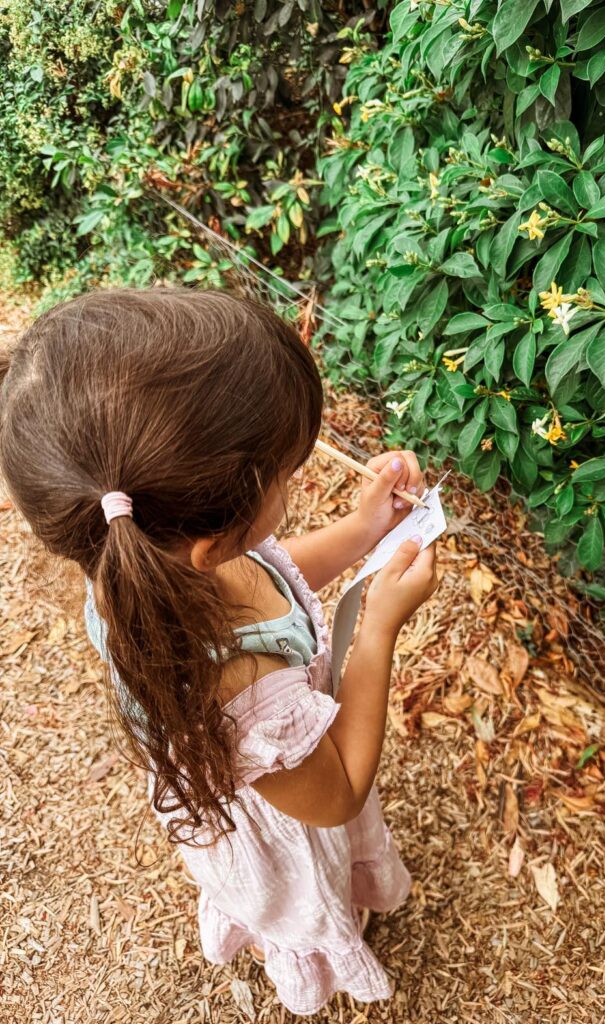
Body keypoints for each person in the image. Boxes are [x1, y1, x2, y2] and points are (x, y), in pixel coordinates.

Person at [0, 286, 440, 1016]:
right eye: (285, 476)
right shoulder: (239, 688)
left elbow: (269, 569)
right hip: (287, 816)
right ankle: (295, 938)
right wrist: (381, 628)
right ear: (211, 543)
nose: (293, 481)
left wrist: (363, 532)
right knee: (302, 894)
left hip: (265, 779)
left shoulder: (140, 557)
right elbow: (336, 793)